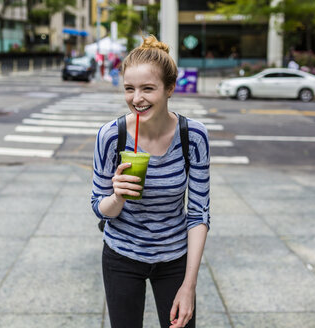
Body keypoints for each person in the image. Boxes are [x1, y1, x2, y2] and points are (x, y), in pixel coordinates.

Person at [91, 35, 210, 328]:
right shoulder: (111, 135)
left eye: (148, 89)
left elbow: (198, 214)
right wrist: (117, 197)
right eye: (129, 89)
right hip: (122, 254)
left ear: (170, 88)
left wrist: (189, 285)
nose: (136, 99)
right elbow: (97, 206)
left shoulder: (192, 136)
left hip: (174, 257)